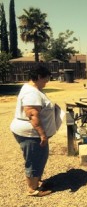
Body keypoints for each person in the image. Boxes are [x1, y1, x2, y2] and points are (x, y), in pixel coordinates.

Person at [10, 64, 57, 196]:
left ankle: (35, 180)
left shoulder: (31, 88)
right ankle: (33, 189)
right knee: (35, 158)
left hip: (30, 132)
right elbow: (32, 115)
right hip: (31, 133)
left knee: (37, 156)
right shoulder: (32, 92)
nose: (46, 83)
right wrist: (42, 135)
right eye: (45, 80)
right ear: (38, 77)